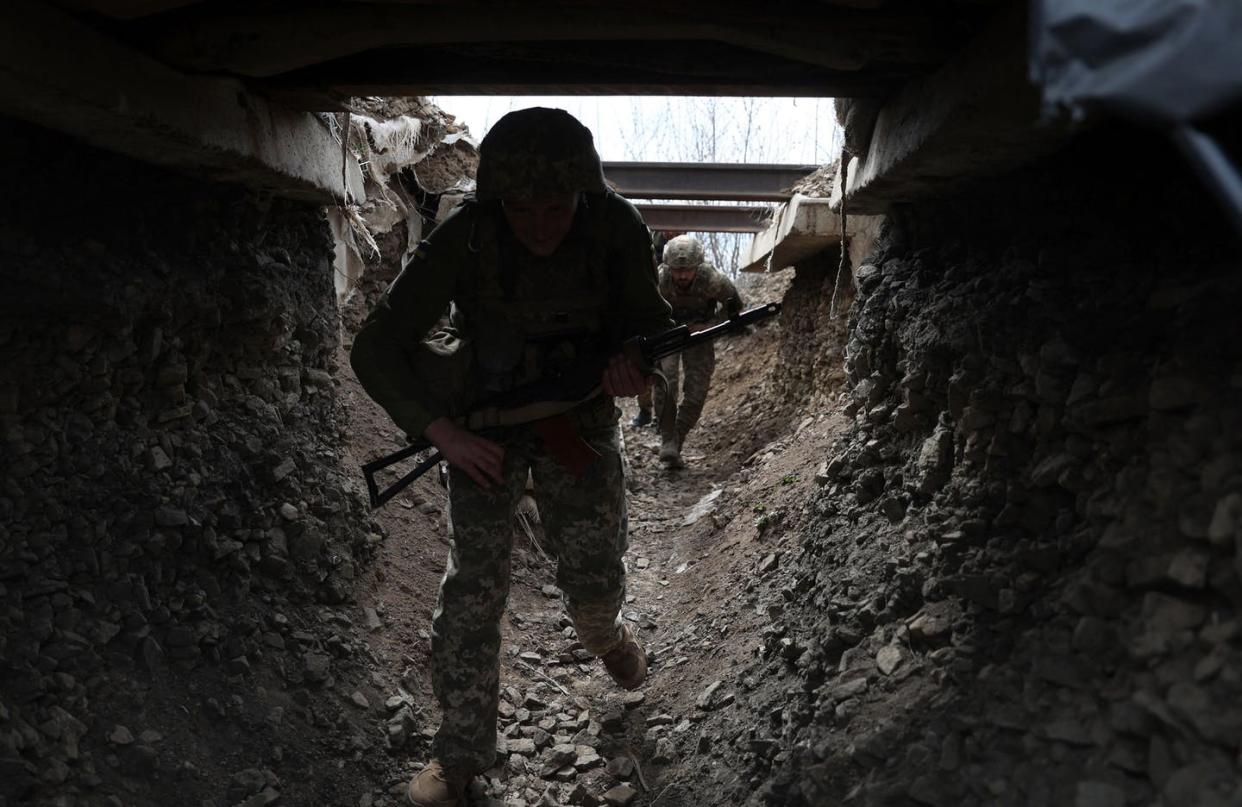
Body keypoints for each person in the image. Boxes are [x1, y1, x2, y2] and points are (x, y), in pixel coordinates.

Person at [350, 108, 674, 807]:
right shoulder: (467, 234)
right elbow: (374, 347)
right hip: (484, 436)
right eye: (520, 209)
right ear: (498, 200)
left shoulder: (614, 228)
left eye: (555, 208)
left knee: (593, 580)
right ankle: (460, 757)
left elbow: (655, 332)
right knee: (472, 592)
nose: (537, 226)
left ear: (583, 196)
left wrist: (635, 369)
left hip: (577, 427)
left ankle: (607, 635)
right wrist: (442, 432)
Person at [653, 234, 743, 468]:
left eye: (688, 270)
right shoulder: (658, 280)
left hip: (700, 334)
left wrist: (709, 326)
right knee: (666, 383)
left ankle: (676, 439)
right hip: (668, 334)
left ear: (697, 267)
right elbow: (643, 310)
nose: (682, 276)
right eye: (677, 270)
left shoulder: (712, 280)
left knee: (696, 391)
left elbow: (734, 305)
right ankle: (666, 439)